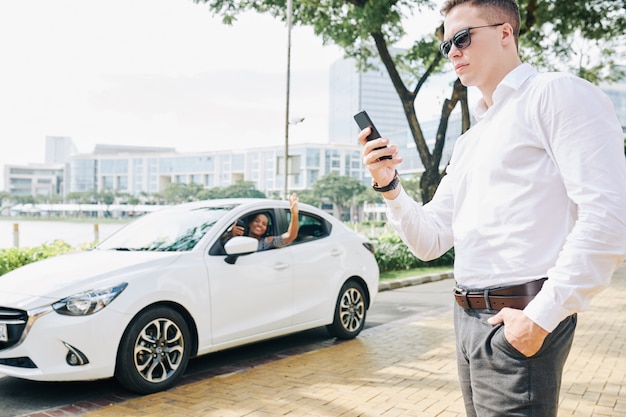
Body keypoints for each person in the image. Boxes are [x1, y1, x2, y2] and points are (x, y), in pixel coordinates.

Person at [358, 1, 626, 416]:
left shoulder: (555, 94)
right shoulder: (472, 140)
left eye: (462, 38)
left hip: (521, 317)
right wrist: (390, 186)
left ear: (505, 33)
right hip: (467, 321)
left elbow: (610, 216)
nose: (453, 52)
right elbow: (430, 240)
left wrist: (541, 317)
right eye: (446, 44)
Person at [227, 193, 299, 251]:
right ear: (250, 223)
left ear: (266, 229)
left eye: (264, 224)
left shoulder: (266, 242)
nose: (260, 225)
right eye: (257, 221)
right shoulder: (238, 238)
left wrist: (294, 214)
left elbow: (290, 236)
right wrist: (230, 234)